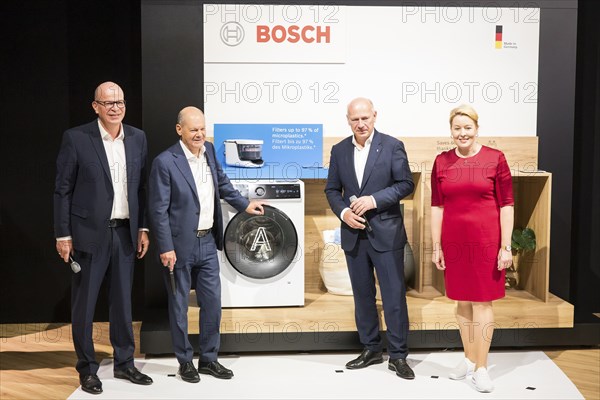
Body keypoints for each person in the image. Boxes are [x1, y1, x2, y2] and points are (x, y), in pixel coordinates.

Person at [148, 106, 264, 383]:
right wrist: (165, 248)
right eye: (193, 129)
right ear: (180, 130)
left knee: (212, 304)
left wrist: (245, 204)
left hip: (208, 242)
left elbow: (222, 185)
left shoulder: (210, 150)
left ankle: (209, 359)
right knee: (179, 307)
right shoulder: (165, 162)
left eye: (202, 128)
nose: (199, 134)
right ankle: (185, 361)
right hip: (178, 247)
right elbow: (157, 210)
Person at [53, 82, 153, 395]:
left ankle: (125, 362)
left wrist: (143, 228)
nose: (114, 108)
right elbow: (62, 189)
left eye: (119, 102)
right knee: (84, 305)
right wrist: (62, 234)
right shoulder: (77, 138)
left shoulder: (137, 138)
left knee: (123, 303)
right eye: (107, 103)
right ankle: (87, 369)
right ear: (95, 106)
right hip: (87, 235)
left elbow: (142, 188)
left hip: (125, 232)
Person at [324, 97, 415, 380]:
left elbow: (405, 184)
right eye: (355, 119)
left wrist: (374, 200)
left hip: (386, 235)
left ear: (374, 116)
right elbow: (331, 190)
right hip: (354, 235)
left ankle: (398, 356)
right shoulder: (339, 150)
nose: (360, 124)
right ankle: (371, 349)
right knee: (363, 297)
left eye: (365, 118)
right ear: (348, 120)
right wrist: (343, 214)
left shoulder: (392, 146)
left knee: (393, 297)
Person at [430, 104, 514, 393]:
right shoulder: (441, 162)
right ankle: (468, 359)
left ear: (477, 128)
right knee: (461, 302)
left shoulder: (495, 158)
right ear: (451, 131)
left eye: (467, 128)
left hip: (486, 241)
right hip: (454, 243)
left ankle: (481, 366)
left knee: (482, 302)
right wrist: (436, 245)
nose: (462, 133)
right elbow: (437, 206)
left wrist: (506, 246)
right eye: (457, 128)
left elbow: (506, 205)